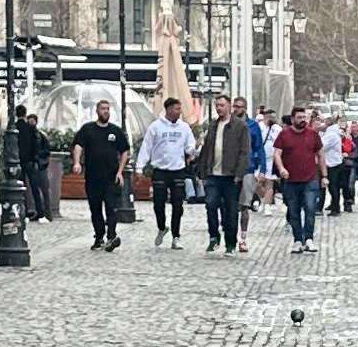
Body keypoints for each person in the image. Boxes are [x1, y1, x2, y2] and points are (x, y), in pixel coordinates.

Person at [73, 101, 129, 251]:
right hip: (93, 177)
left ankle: (111, 236)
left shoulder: (115, 131)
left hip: (111, 177)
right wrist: (77, 162)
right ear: (97, 111)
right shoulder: (88, 129)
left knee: (112, 207)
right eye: (103, 109)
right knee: (95, 209)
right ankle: (99, 237)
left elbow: (125, 151)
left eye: (108, 109)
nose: (106, 111)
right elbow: (78, 145)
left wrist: (120, 172)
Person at [138, 98, 194, 246]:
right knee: (158, 203)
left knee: (178, 204)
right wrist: (139, 167)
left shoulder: (184, 127)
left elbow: (190, 147)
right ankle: (162, 227)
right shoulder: (155, 127)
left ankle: (176, 236)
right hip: (160, 170)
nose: (179, 111)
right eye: (176, 109)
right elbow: (146, 147)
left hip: (178, 170)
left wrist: (196, 150)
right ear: (168, 110)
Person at [204, 94, 254, 256]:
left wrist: (239, 174)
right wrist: (203, 171)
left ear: (229, 107)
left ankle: (230, 244)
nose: (219, 108)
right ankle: (214, 236)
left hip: (231, 175)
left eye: (222, 105)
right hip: (213, 174)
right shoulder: (213, 126)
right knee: (210, 204)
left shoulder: (240, 126)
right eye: (217, 105)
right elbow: (207, 149)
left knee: (231, 210)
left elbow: (244, 151)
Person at [277, 103, 327, 248]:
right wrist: (281, 169)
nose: (302, 120)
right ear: (292, 119)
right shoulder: (284, 134)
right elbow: (277, 153)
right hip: (291, 180)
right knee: (294, 211)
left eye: (304, 117)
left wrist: (324, 175)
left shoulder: (313, 134)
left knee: (310, 209)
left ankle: (309, 238)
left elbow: (321, 154)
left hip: (310, 179)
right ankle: (298, 239)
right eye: (299, 117)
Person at [10, 103, 55, 223]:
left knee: (21, 189)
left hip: (18, 162)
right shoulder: (30, 129)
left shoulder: (13, 128)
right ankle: (40, 214)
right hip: (30, 161)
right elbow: (36, 145)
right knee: (35, 188)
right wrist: (34, 158)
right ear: (25, 114)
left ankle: (24, 214)